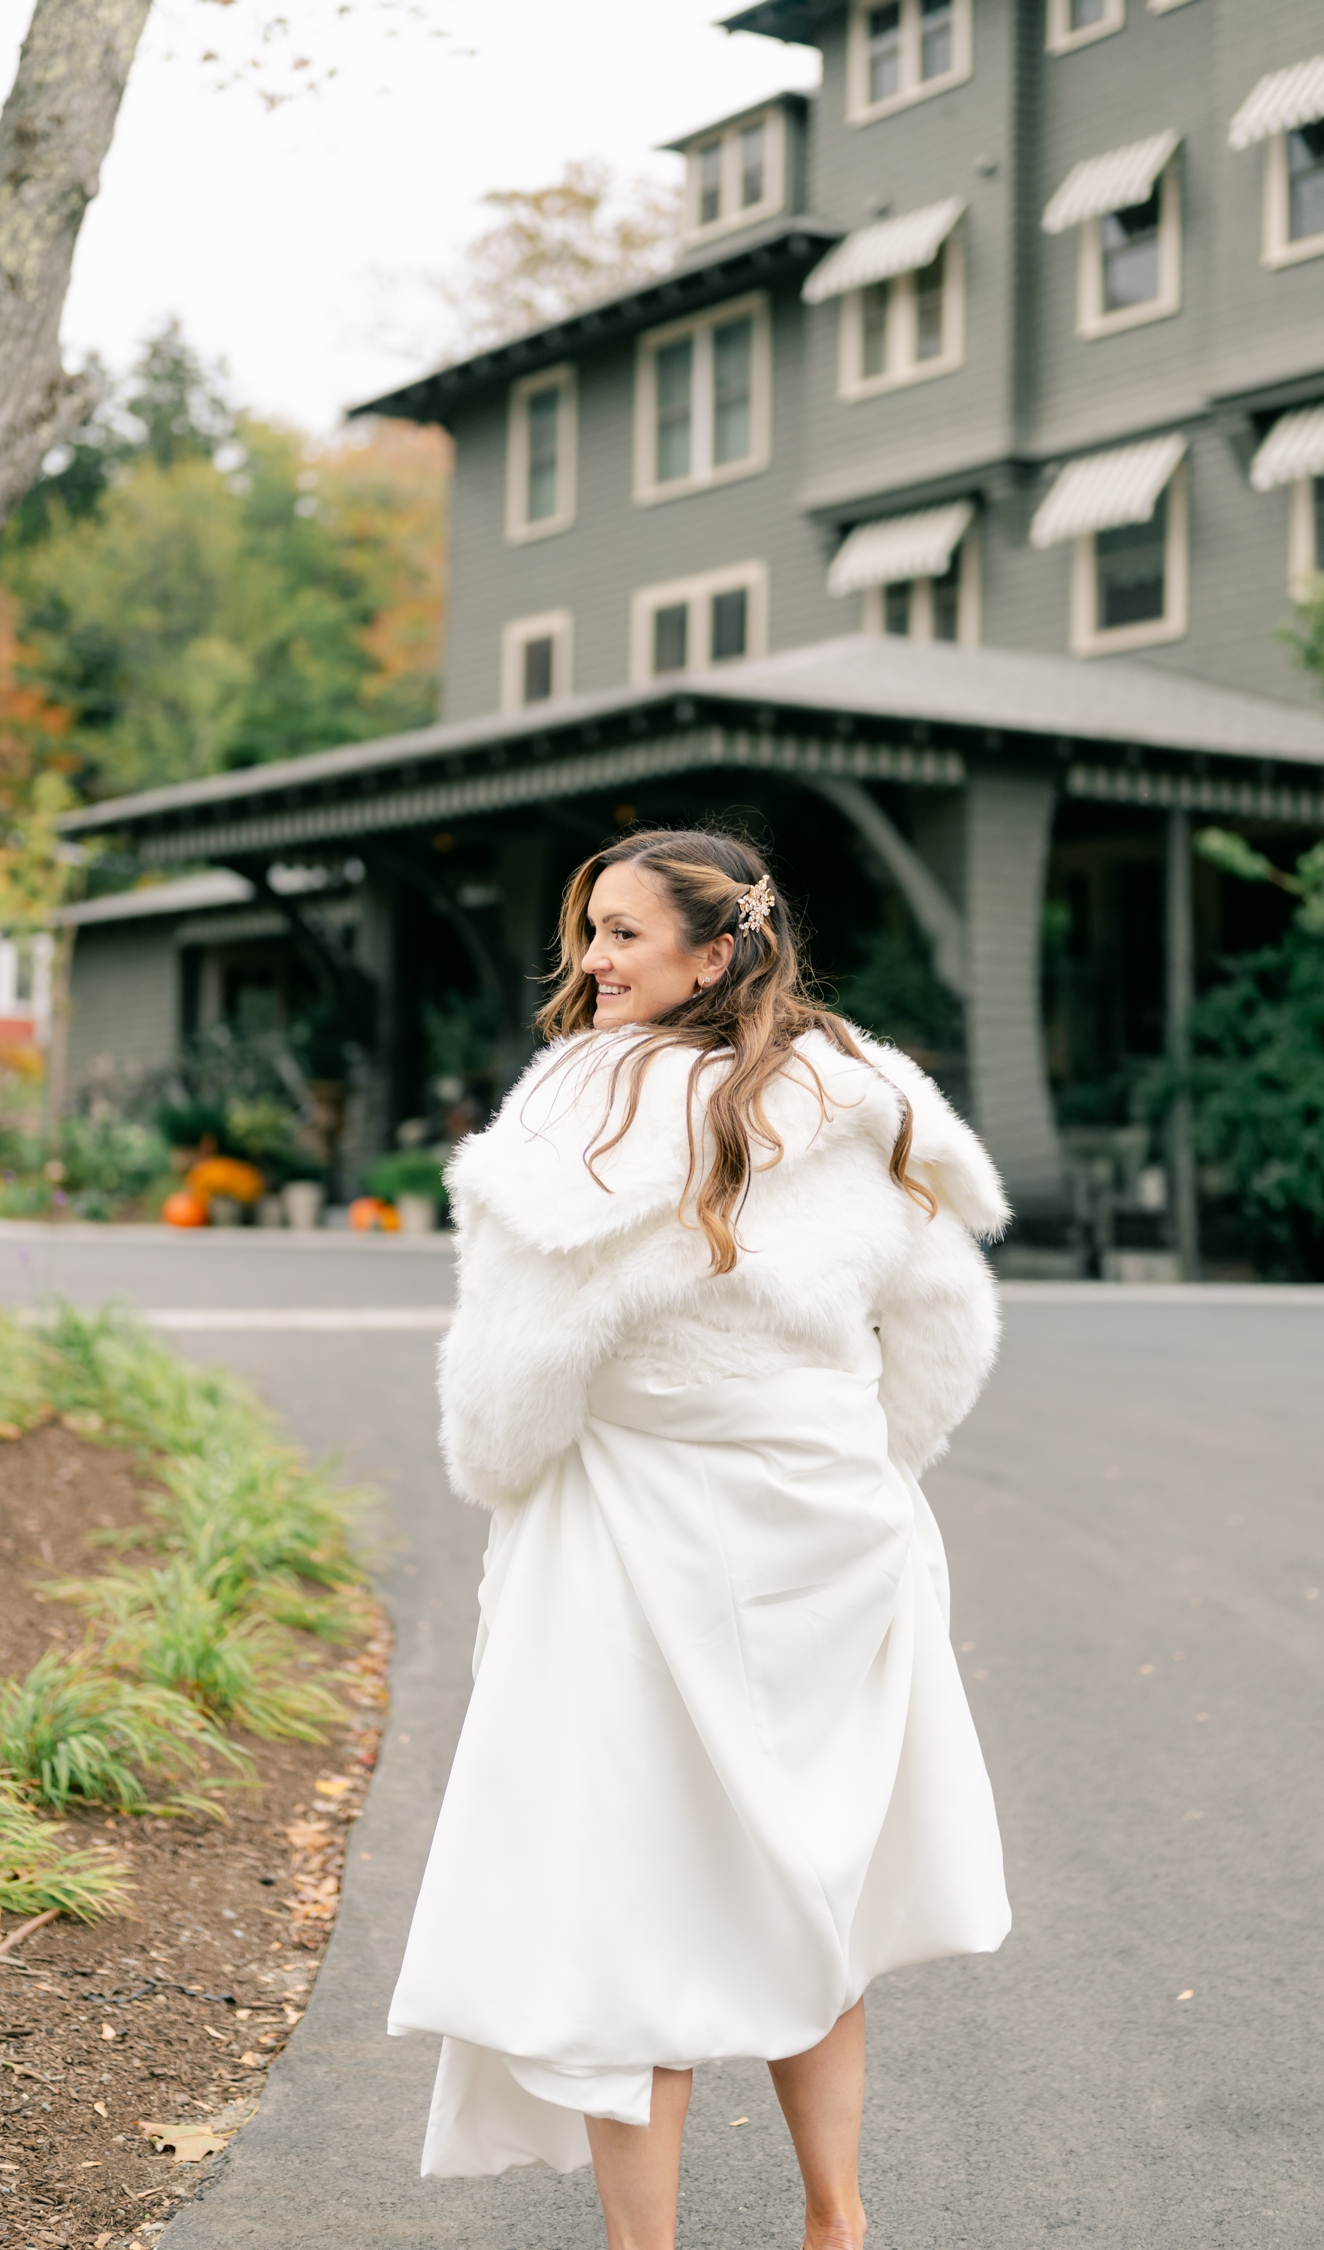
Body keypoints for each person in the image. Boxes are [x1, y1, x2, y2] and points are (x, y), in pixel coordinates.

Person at [389, 828, 1012, 2250]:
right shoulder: (861, 1089)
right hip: (828, 1535)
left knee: (635, 1904)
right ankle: (835, 2219)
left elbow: (507, 1389)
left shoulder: (581, 1111)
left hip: (636, 1545)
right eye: (589, 932)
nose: (591, 961)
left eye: (619, 934)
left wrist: (513, 1481)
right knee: (812, 1882)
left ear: (714, 949)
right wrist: (859, 1459)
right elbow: (946, 1327)